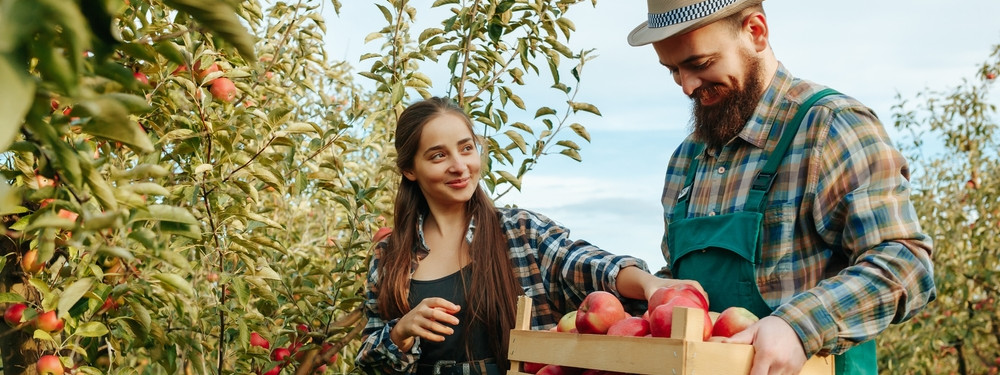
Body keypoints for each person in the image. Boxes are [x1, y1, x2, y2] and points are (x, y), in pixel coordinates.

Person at [626, 1, 936, 375]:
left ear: (756, 31)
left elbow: (905, 264)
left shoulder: (829, 127)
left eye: (700, 64)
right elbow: (685, 283)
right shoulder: (686, 160)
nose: (686, 86)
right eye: (673, 71)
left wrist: (798, 325)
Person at [354, 97, 693, 375]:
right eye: (438, 155)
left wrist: (651, 285)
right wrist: (400, 331)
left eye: (466, 148)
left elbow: (586, 264)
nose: (459, 165)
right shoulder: (390, 255)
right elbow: (369, 359)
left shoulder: (518, 232)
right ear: (409, 169)